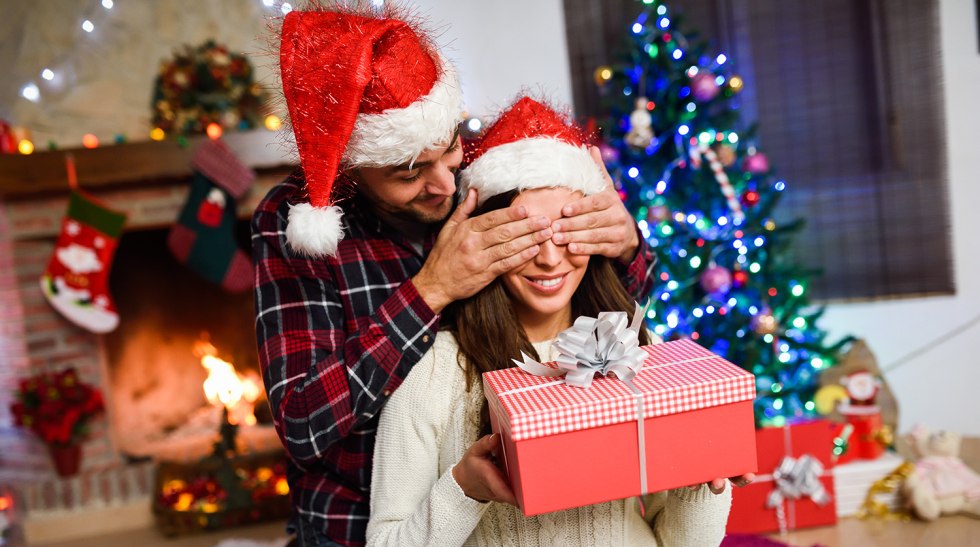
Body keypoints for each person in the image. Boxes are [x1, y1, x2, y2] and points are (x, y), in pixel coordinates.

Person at [252, 6, 658, 546]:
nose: (446, 185)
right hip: (352, 524)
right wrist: (430, 291)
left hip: (492, 519)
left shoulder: (480, 173)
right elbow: (303, 424)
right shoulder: (295, 223)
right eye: (409, 173)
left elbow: (588, 316)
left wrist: (626, 247)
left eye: (449, 148)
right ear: (350, 167)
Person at [367, 97, 739, 546]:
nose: (549, 259)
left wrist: (705, 481)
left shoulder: (635, 350)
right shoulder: (436, 374)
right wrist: (464, 489)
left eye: (567, 233)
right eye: (526, 236)